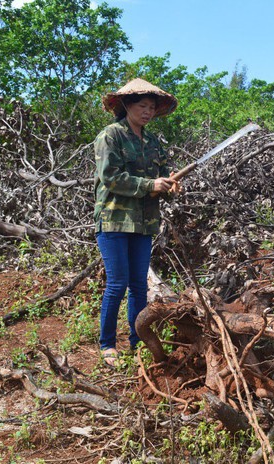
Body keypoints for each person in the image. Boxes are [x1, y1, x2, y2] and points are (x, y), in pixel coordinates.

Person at [94, 78, 179, 367]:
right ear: (127, 105)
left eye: (152, 108)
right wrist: (150, 184)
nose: (148, 112)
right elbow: (111, 177)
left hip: (143, 223)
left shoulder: (153, 141)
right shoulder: (110, 135)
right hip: (114, 220)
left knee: (139, 286)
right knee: (117, 284)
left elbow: (163, 175)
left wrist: (170, 184)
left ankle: (136, 340)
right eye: (142, 106)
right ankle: (107, 345)